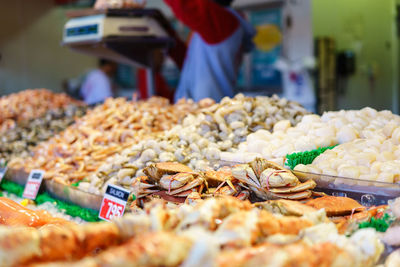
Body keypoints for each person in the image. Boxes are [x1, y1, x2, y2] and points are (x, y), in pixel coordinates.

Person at [164, 0, 255, 102]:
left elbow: (185, 5)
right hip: (197, 108)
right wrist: (163, 28)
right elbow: (188, 63)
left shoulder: (223, 20)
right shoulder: (211, 26)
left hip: (209, 110)